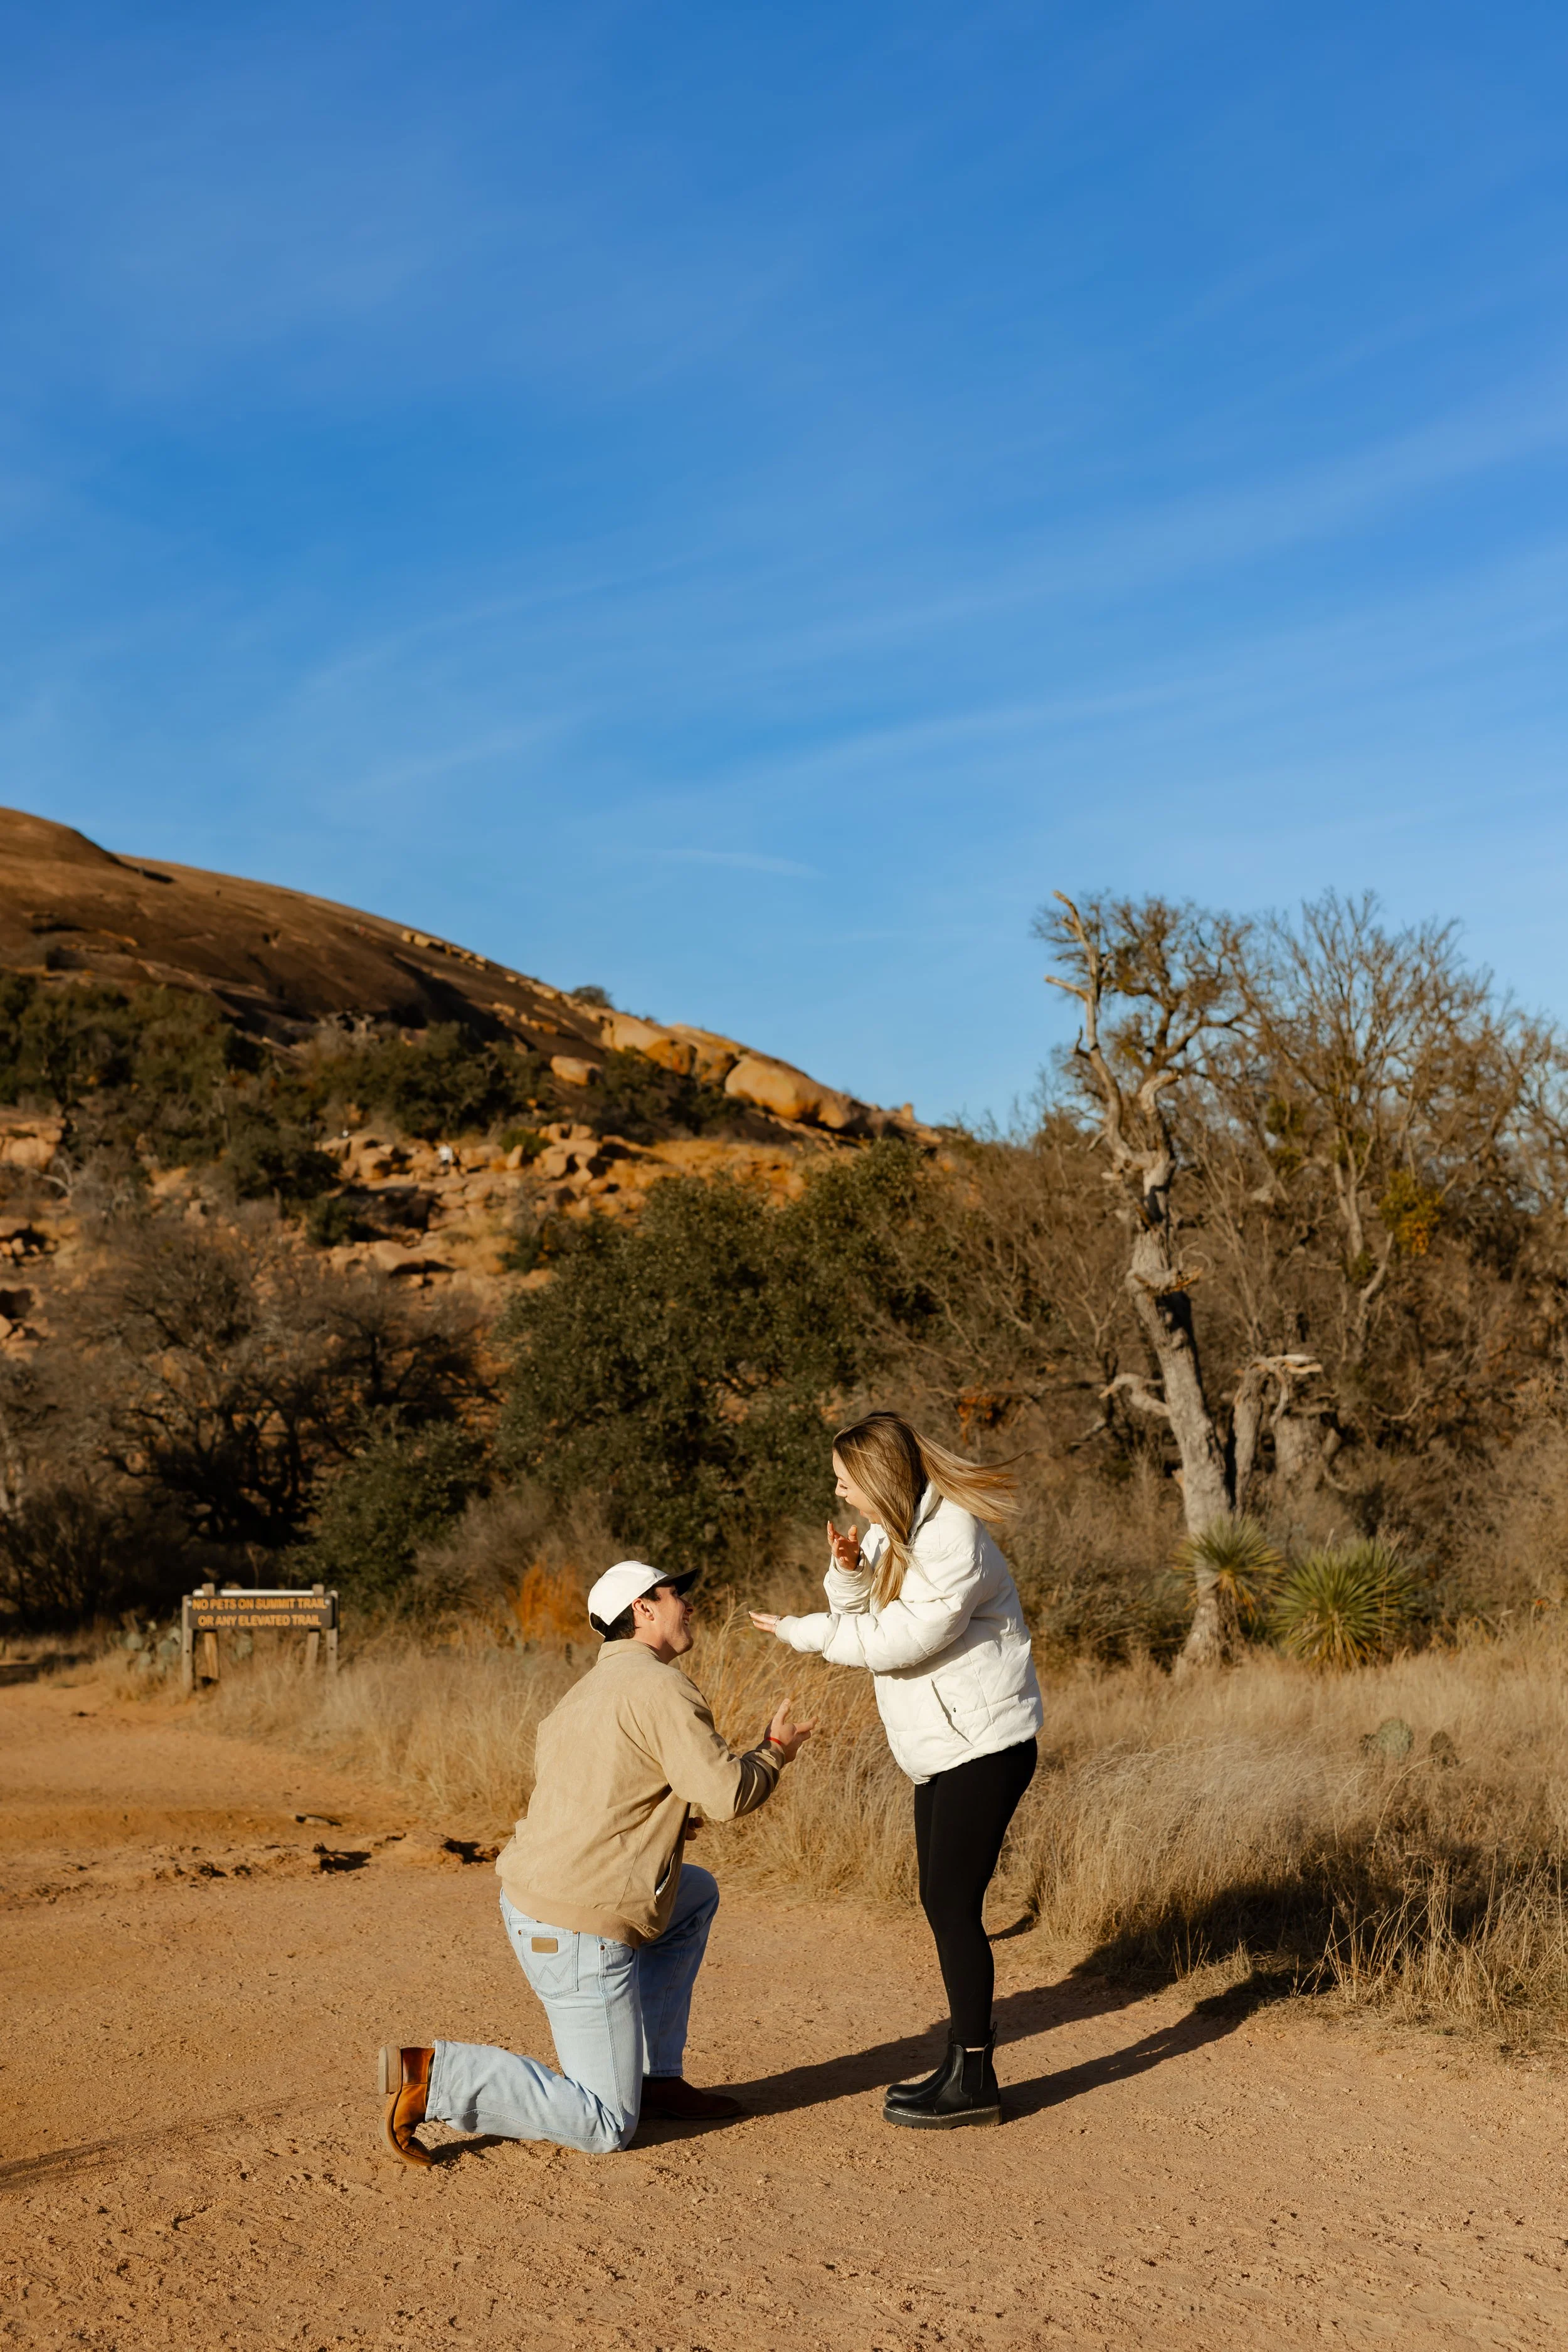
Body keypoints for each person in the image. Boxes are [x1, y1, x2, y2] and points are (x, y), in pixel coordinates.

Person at [379, 1559, 814, 2168]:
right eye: (676, 1595)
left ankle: (654, 2075)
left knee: (694, 1895)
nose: (689, 1604)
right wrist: (773, 1752)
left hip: (540, 1901)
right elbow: (727, 1795)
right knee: (605, 2125)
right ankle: (437, 2076)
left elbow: (596, 1794)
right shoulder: (661, 1686)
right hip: (579, 1927)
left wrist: (664, 1819)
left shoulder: (581, 1695)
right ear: (643, 1608)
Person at [751, 1413, 1042, 2130]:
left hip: (985, 1744)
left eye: (845, 1477)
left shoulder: (954, 1538)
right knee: (940, 1902)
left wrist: (803, 1632)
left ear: (878, 1475)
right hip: (938, 1747)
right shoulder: (891, 1532)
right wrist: (848, 1571)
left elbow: (898, 1643)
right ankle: (960, 2062)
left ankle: (975, 2079)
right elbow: (863, 1613)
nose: (839, 1490)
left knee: (951, 1906)